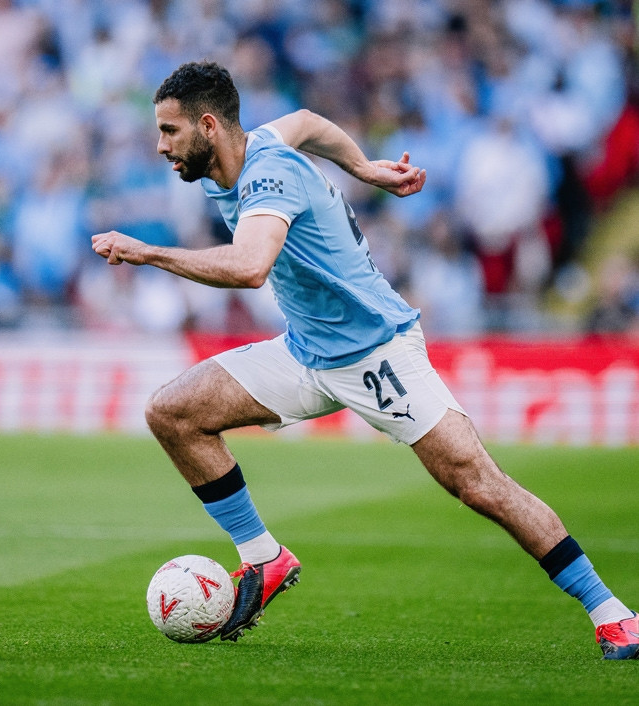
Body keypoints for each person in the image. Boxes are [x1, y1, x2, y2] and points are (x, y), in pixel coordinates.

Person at [92, 61, 638, 660]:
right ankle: (264, 559)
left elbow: (250, 267)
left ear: (208, 126)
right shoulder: (259, 145)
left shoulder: (268, 176)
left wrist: (147, 253)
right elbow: (305, 122)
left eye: (169, 131)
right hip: (308, 352)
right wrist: (364, 168)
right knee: (172, 412)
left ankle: (613, 615)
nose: (160, 145)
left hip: (378, 354)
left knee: (478, 484)